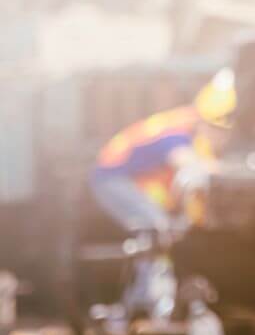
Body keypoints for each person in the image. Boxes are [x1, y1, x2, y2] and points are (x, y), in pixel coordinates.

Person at [90, 68, 237, 236]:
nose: (221, 138)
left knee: (161, 223)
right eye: (217, 130)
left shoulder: (188, 122)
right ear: (204, 123)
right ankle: (151, 261)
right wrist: (231, 171)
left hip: (126, 176)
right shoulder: (176, 132)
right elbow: (191, 164)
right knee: (155, 226)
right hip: (112, 179)